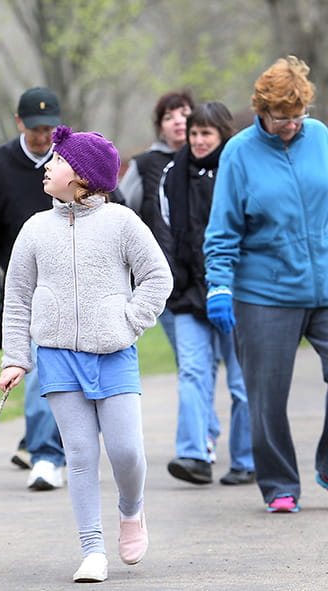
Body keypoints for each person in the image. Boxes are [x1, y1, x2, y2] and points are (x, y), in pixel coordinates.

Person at [0, 126, 172, 582]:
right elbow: (17, 297)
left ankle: (131, 510)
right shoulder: (35, 229)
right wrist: (16, 357)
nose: (47, 166)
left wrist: (128, 322)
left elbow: (158, 277)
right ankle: (92, 549)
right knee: (79, 454)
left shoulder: (122, 223)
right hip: (57, 355)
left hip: (114, 352)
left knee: (126, 452)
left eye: (57, 161)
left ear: (81, 176)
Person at [204, 55, 328, 513]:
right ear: (262, 110)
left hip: (325, 286)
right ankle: (280, 485)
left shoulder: (321, 138)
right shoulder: (239, 153)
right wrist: (219, 285)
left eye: (298, 116)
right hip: (265, 294)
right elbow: (223, 230)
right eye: (282, 118)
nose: (292, 125)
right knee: (266, 397)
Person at [0, 87, 66, 490]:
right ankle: (45, 454)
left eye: (50, 129)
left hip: (72, 279)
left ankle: (56, 445)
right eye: (36, 129)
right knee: (37, 367)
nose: (44, 137)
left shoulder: (72, 157)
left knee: (72, 372)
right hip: (23, 281)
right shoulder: (0, 163)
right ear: (19, 123)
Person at [158, 103, 254, 486]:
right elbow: (166, 231)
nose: (198, 141)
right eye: (194, 133)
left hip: (237, 292)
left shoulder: (240, 168)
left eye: (206, 134)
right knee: (193, 373)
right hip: (187, 292)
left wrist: (228, 284)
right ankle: (194, 455)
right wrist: (176, 283)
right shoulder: (172, 174)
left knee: (242, 381)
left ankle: (246, 459)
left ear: (223, 135)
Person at [116, 90, 194, 351]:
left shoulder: (212, 160)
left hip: (209, 276)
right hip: (169, 280)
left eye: (184, 113)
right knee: (190, 360)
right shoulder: (145, 165)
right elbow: (123, 215)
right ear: (160, 126)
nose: (178, 121)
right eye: (169, 117)